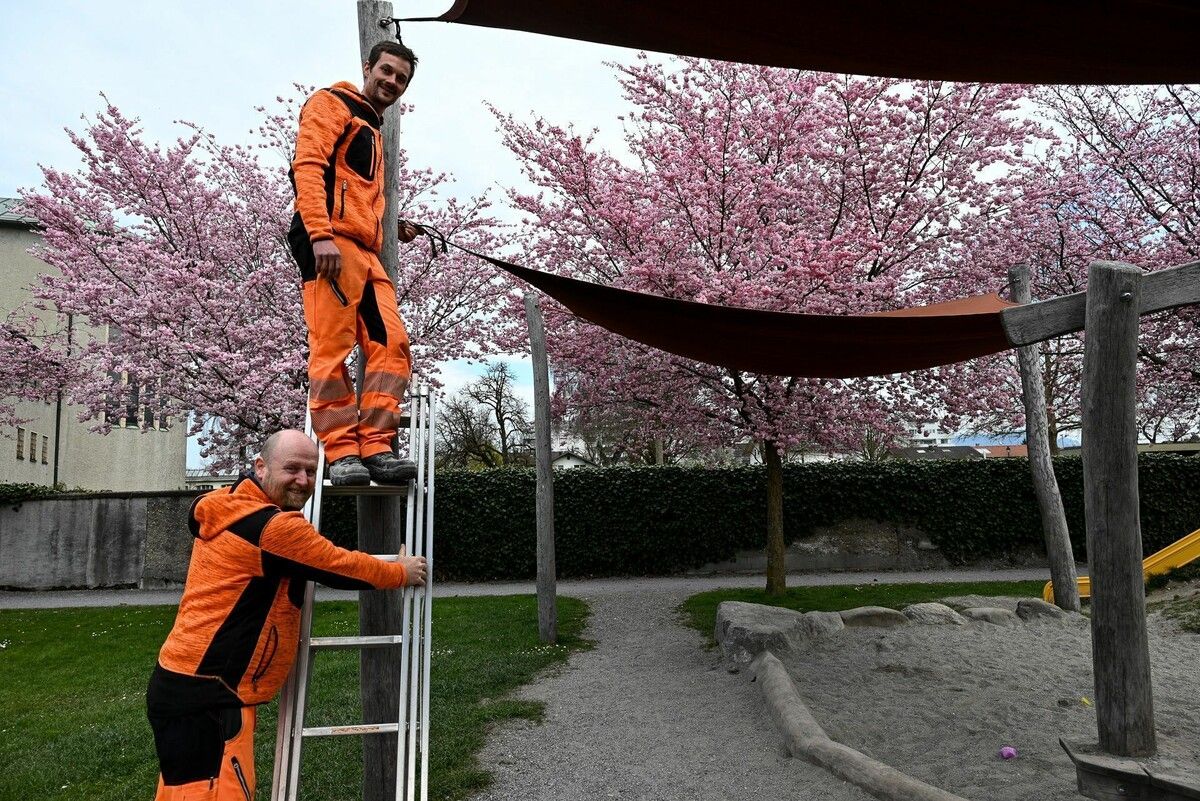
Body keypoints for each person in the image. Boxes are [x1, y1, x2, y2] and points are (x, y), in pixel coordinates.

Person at [146, 429, 426, 800]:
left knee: (185, 791)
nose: (303, 480)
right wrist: (400, 572)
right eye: (292, 469)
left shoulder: (226, 503)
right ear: (260, 467)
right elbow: (338, 566)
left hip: (184, 679)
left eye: (311, 471)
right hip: (210, 692)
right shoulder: (272, 527)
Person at [288, 40, 422, 486]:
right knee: (331, 347)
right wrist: (320, 235)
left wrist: (391, 225)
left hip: (364, 249)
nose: (392, 81)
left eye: (401, 78)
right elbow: (308, 167)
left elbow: (352, 189)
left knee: (392, 344)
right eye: (386, 71)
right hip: (329, 242)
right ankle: (342, 451)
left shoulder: (373, 126)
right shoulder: (332, 103)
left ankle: (377, 446)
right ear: (368, 67)